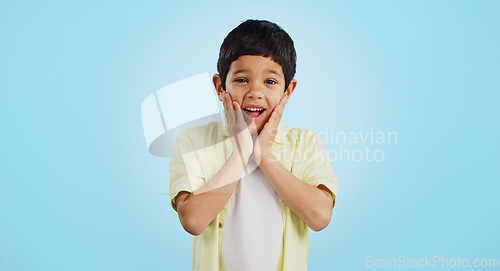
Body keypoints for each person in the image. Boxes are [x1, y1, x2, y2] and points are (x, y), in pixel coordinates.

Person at [169, 19, 339, 271]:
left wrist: (265, 156)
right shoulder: (193, 141)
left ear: (288, 90)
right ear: (219, 86)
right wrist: (241, 152)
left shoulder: (305, 142)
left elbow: (319, 217)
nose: (255, 92)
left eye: (270, 82)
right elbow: (193, 221)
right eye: (241, 80)